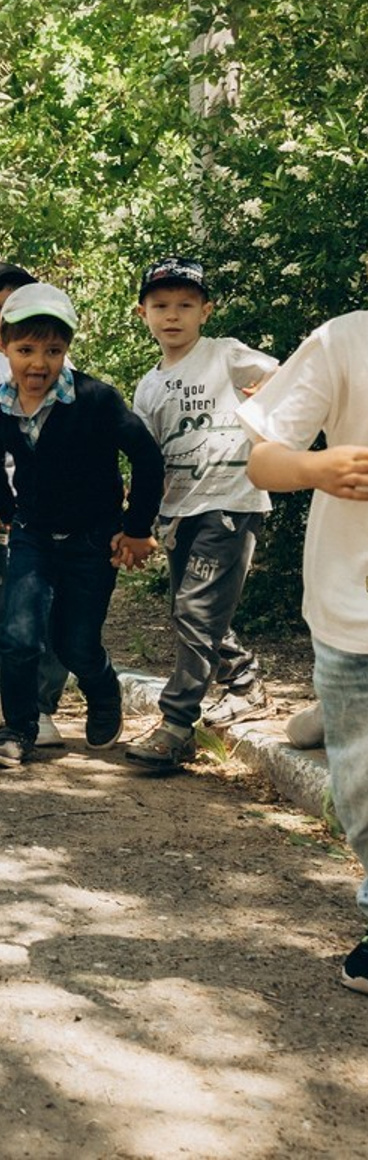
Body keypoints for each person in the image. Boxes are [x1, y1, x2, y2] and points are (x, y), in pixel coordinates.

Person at [0, 284, 163, 768]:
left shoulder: (95, 399)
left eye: (53, 351)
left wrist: (136, 526)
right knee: (19, 635)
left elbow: (145, 455)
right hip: (34, 535)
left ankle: (102, 690)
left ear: (67, 350)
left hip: (93, 538)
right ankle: (18, 728)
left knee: (75, 642)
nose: (39, 363)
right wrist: (8, 509)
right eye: (26, 350)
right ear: (4, 347)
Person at [236, 310, 368, 994]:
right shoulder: (344, 341)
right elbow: (261, 456)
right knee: (362, 790)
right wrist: (315, 466)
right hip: (354, 612)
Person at [125, 257, 277, 770]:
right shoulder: (147, 387)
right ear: (142, 313)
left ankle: (175, 726)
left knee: (194, 609)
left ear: (205, 311)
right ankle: (244, 679)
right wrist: (139, 522)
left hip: (231, 499)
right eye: (161, 306)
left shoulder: (225, 355)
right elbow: (146, 459)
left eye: (186, 305)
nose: (173, 316)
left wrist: (268, 403)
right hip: (178, 511)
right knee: (193, 610)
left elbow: (287, 378)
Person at [0, 262, 69, 744]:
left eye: (17, 304)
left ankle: (42, 704)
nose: (6, 316)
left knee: (46, 606)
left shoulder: (65, 373)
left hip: (50, 510)